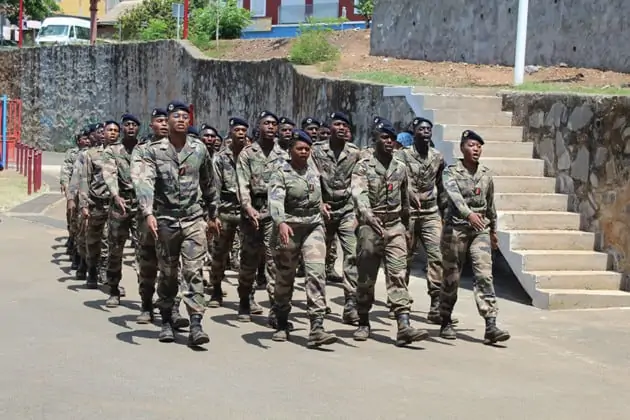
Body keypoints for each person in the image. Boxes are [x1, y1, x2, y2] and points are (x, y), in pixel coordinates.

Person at [135, 100, 219, 347]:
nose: (181, 120)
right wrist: (148, 212)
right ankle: (167, 321)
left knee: (193, 271)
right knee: (169, 273)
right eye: (176, 116)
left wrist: (213, 216)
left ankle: (196, 324)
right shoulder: (153, 150)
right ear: (167, 122)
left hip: (193, 219)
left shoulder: (199, 149)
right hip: (165, 220)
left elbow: (209, 183)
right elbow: (144, 182)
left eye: (185, 116)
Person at [351, 120, 429, 347]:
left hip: (395, 226)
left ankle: (403, 324)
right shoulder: (364, 166)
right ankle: (363, 321)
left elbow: (406, 200)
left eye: (391, 139)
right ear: (375, 140)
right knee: (367, 277)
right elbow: (358, 193)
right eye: (383, 138)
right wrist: (367, 215)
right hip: (370, 226)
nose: (388, 142)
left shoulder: (400, 168)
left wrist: (407, 228)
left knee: (397, 274)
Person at [439, 130, 510, 344]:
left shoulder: (486, 174)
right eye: (471, 145)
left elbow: (490, 206)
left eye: (479, 146)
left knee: (484, 275)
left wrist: (493, 231)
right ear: (462, 148)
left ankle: (491, 324)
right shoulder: (451, 172)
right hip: (456, 229)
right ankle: (445, 319)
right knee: (452, 277)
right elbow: (454, 195)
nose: (476, 149)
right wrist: (468, 214)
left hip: (480, 231)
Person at [269, 129, 336, 347]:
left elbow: (317, 193)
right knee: (285, 278)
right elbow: (276, 200)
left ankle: (317, 326)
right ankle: (281, 321)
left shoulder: (314, 170)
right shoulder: (281, 172)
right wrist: (280, 222)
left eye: (307, 149)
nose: (304, 152)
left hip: (313, 227)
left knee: (316, 273)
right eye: (300, 148)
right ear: (291, 150)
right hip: (289, 228)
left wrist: (322, 205)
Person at [394, 117, 452, 324]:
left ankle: (436, 304)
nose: (426, 132)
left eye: (428, 129)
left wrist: (446, 213)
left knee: (437, 256)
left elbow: (441, 185)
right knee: (404, 258)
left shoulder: (437, 156)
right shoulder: (401, 155)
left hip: (430, 213)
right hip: (407, 214)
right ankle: (402, 302)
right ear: (414, 132)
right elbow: (395, 179)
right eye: (421, 129)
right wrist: (407, 193)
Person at [235, 111, 285, 327]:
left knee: (275, 261)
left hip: (274, 213)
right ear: (259, 126)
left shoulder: (283, 155)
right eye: (267, 123)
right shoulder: (247, 153)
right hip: (252, 213)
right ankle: (245, 299)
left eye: (274, 124)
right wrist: (247, 207)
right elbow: (242, 184)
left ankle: (275, 310)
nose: (271, 127)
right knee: (249, 261)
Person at [310, 111, 361, 324]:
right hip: (322, 209)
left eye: (344, 125)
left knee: (352, 255)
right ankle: (318, 304)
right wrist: (318, 202)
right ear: (330, 127)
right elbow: (311, 177)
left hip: (347, 209)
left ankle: (351, 304)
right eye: (337, 124)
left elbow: (360, 181)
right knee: (318, 260)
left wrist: (359, 210)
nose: (340, 128)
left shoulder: (355, 153)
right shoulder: (316, 150)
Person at [207, 117, 249, 308]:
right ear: (231, 132)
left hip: (247, 212)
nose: (241, 133)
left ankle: (247, 296)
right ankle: (216, 289)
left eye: (243, 130)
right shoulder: (220, 158)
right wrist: (212, 215)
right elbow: (214, 187)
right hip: (225, 209)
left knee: (250, 255)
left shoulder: (250, 155)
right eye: (237, 129)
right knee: (219, 253)